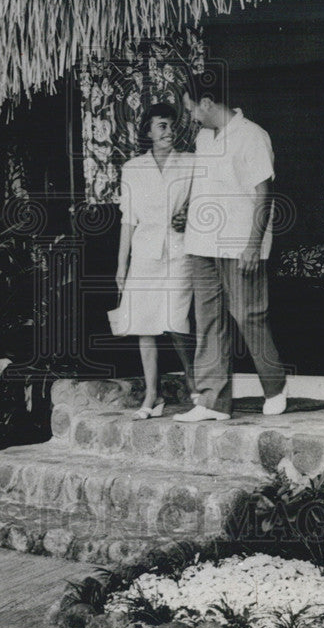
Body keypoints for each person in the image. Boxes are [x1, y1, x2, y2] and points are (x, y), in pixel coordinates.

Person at [173, 68, 288, 422]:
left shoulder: (252, 136)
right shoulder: (204, 139)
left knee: (249, 316)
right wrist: (187, 211)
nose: (190, 115)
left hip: (240, 244)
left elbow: (263, 193)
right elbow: (207, 187)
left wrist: (253, 245)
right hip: (201, 243)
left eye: (191, 108)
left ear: (207, 102)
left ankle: (275, 387)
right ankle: (211, 402)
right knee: (208, 322)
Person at [110, 102, 196, 419]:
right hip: (144, 253)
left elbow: (204, 203)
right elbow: (127, 220)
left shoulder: (190, 163)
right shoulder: (133, 168)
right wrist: (121, 265)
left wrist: (190, 217)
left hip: (180, 251)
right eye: (161, 125)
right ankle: (152, 394)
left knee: (176, 323)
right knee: (145, 326)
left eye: (172, 125)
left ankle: (194, 383)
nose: (169, 131)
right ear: (148, 130)